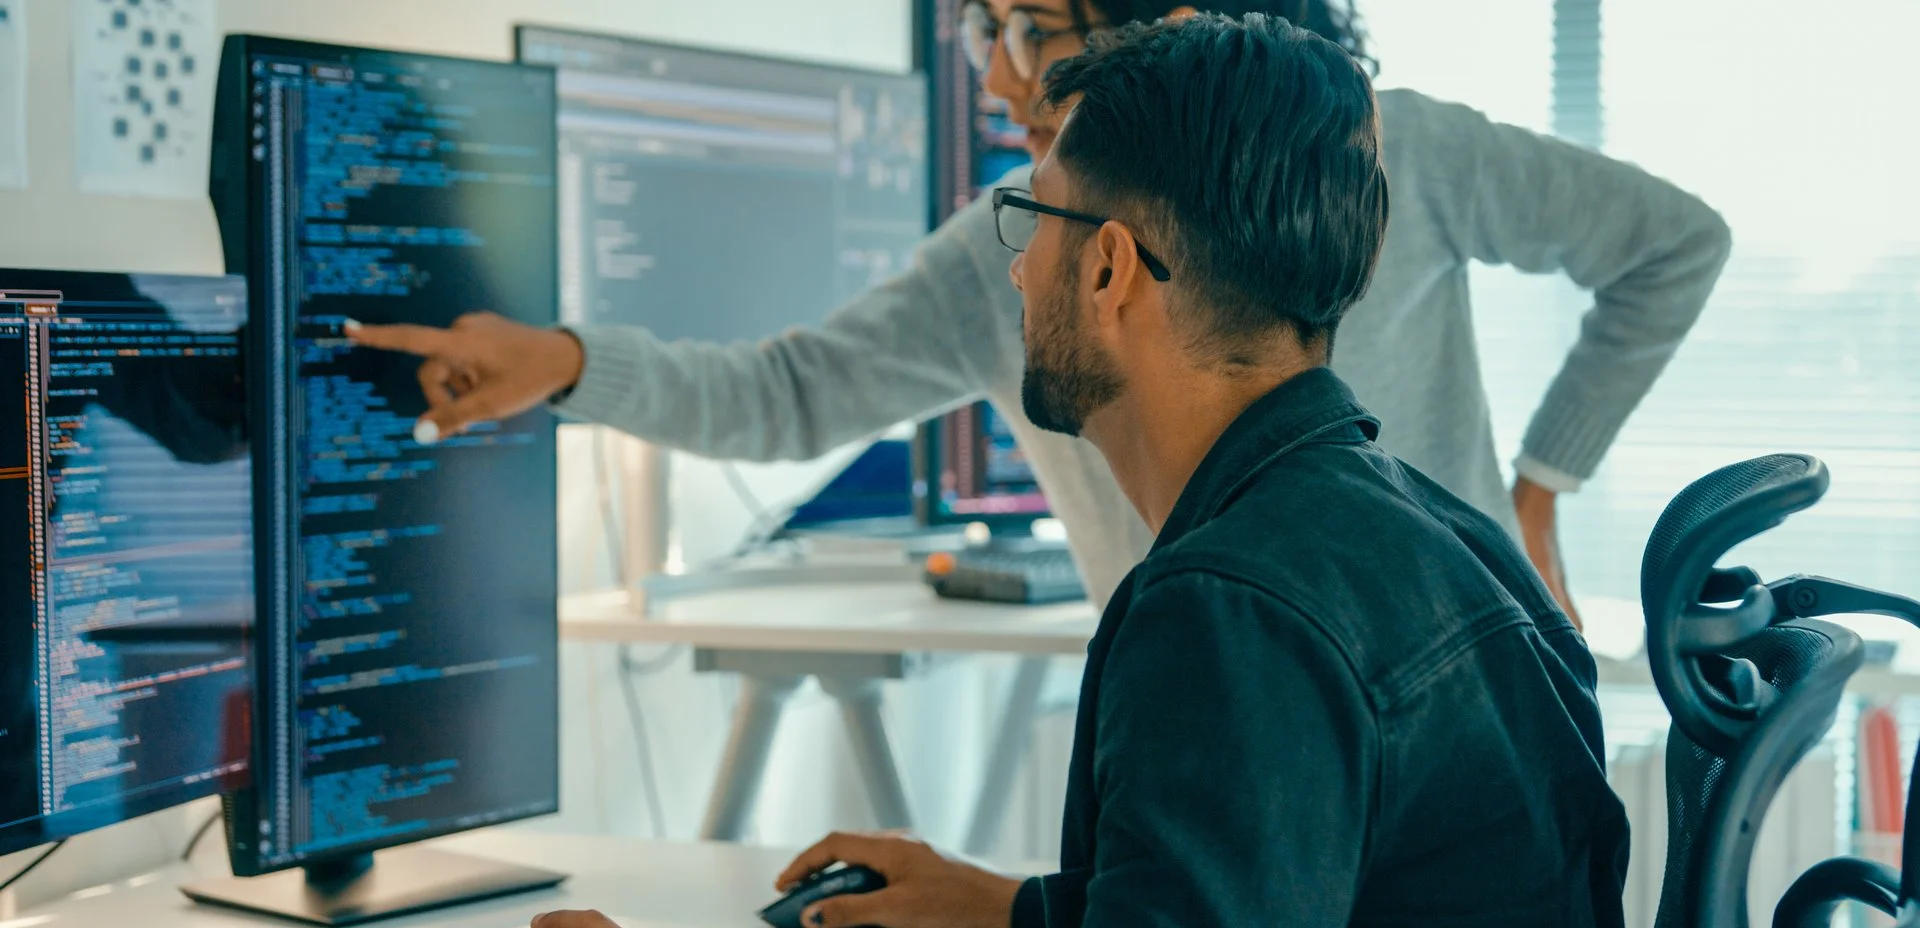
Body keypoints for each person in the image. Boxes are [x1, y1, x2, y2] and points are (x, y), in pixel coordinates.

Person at [452, 14, 1629, 928]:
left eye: (1035, 223)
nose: (1013, 271)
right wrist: (1010, 903)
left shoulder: (1230, 613)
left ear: (1111, 268)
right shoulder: (1434, 530)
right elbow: (1298, 905)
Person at [349, 0, 1732, 625]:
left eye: (1021, 26)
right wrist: (572, 362)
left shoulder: (1398, 152)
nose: (994, 76)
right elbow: (790, 393)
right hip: (1206, 731)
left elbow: (1675, 243)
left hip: (1398, 708)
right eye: (976, 30)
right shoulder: (1014, 248)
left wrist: (1542, 488)